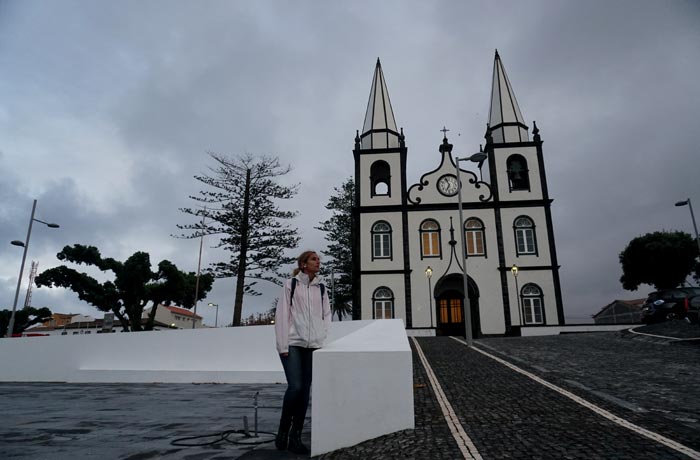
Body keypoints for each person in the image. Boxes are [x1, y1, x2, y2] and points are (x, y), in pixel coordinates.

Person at [274, 250, 331, 454]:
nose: (318, 262)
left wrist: (321, 336)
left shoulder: (322, 288)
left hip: (313, 345)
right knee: (296, 387)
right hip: (293, 343)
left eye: (318, 259)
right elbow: (282, 315)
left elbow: (326, 315)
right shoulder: (291, 285)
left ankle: (295, 436)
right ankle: (283, 430)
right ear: (304, 264)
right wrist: (283, 344)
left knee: (305, 391)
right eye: (314, 259)